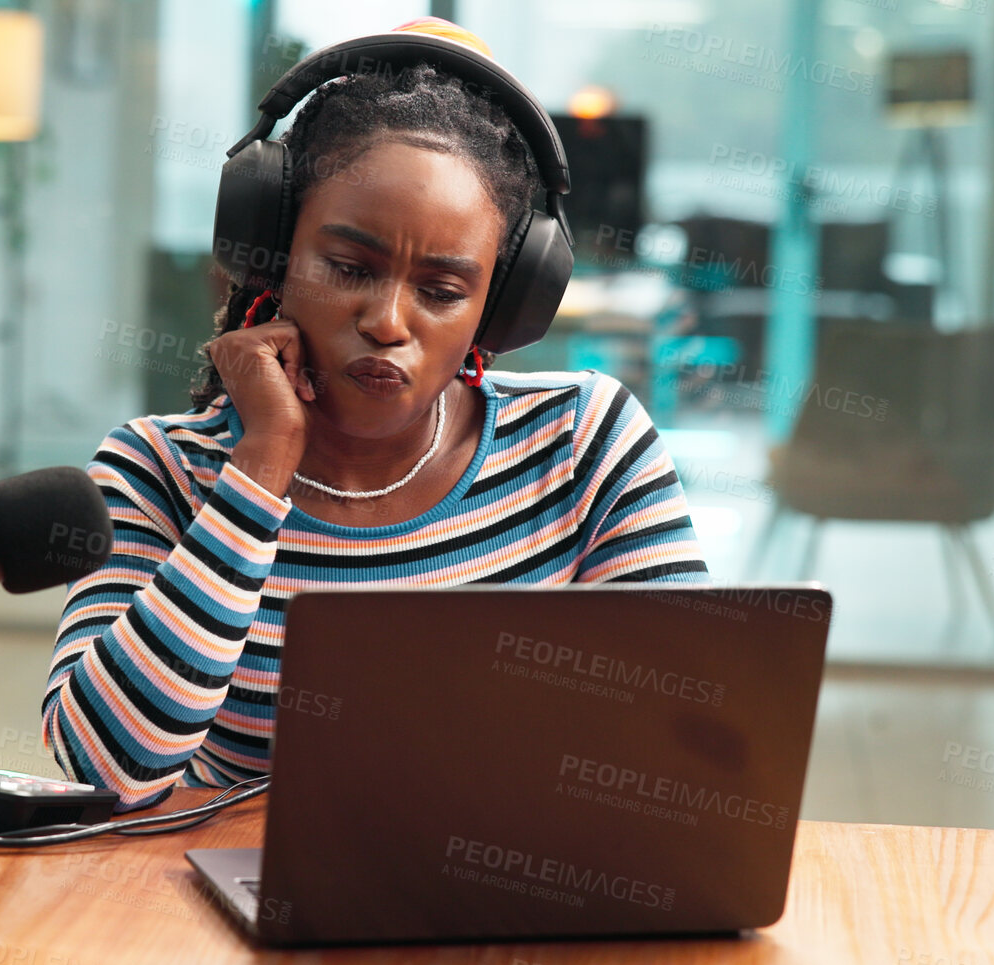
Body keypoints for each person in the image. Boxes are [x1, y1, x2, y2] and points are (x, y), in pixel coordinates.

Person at [44, 23, 708, 810]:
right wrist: (259, 467)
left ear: (501, 307)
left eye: (441, 290)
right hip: (237, 883)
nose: (388, 321)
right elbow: (106, 770)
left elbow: (685, 743)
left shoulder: (581, 440)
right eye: (349, 268)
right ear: (272, 254)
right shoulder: (156, 470)